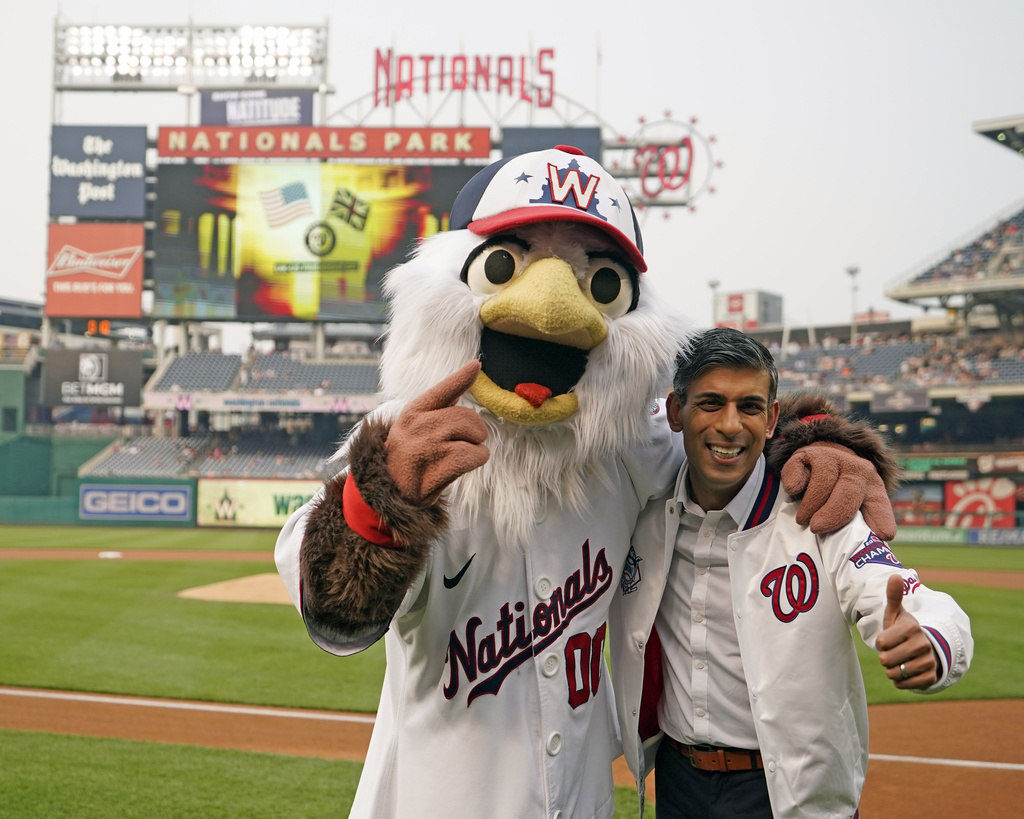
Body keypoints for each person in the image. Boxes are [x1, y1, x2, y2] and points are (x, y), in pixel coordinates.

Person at [275, 146, 897, 819]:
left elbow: (729, 463)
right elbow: (333, 613)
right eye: (506, 264)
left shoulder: (627, 447)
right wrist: (378, 503)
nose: (553, 309)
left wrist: (810, 444)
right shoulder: (407, 440)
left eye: (601, 284)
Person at [610, 328, 974, 819]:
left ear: (773, 417)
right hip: (678, 783)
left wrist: (933, 638)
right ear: (676, 411)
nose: (730, 425)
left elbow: (897, 590)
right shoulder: (643, 513)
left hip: (788, 792)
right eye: (711, 403)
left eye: (751, 406)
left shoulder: (820, 513)